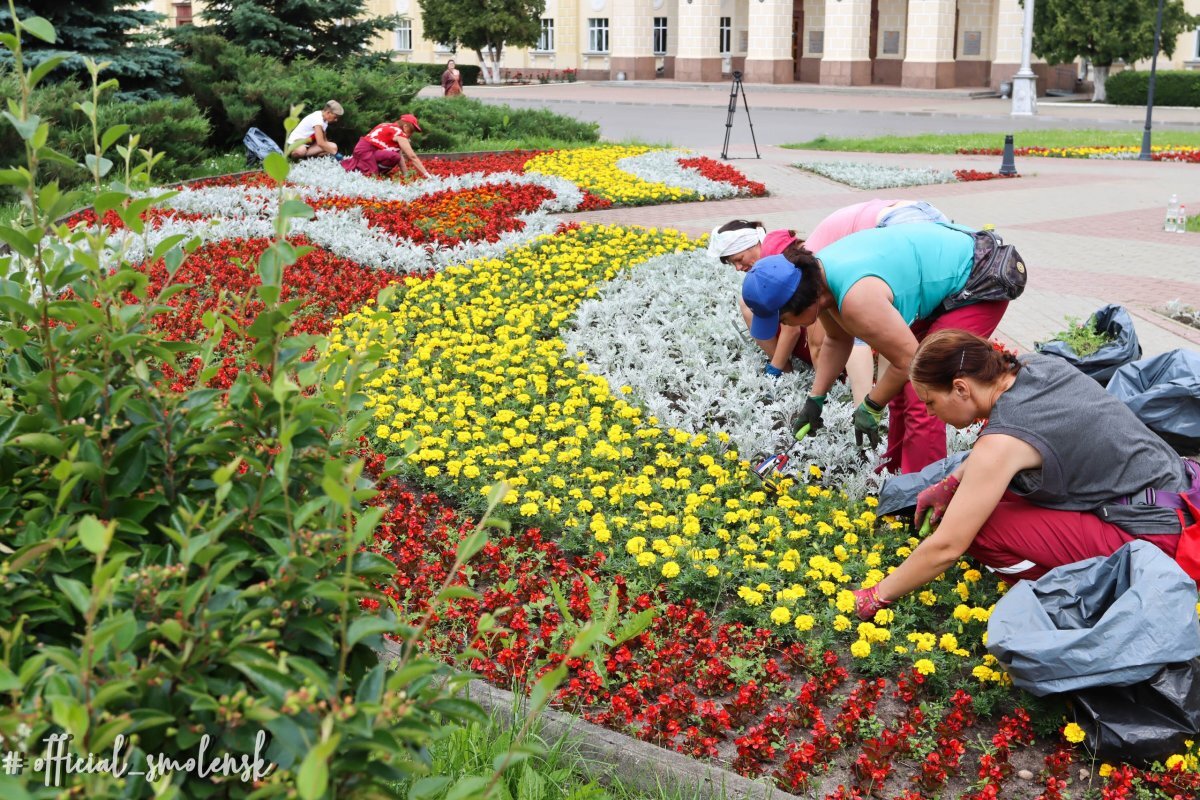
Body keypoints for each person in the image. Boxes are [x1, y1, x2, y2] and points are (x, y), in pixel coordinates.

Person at [851, 329, 1195, 620]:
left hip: (1157, 538)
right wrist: (950, 483)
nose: (929, 412)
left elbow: (946, 547)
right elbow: (1008, 449)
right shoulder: (1036, 366)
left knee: (979, 530)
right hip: (1179, 496)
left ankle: (1081, 599)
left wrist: (876, 596)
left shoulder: (1003, 441)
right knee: (994, 494)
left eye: (930, 401)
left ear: (960, 388)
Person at [742, 222, 1010, 474]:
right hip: (950, 279)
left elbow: (908, 362)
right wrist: (816, 398)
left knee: (927, 388)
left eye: (783, 318)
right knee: (902, 387)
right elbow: (837, 339)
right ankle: (894, 471)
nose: (787, 325)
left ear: (798, 301)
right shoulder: (818, 282)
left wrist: (871, 404)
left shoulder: (856, 299)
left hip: (979, 275)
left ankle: (917, 493)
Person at [708, 199, 949, 403]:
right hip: (904, 215)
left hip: (906, 224)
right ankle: (883, 402)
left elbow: (820, 342)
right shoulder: (786, 260)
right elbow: (831, 338)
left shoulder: (787, 268)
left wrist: (825, 394)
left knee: (863, 325)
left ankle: (867, 405)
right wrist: (817, 394)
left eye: (738, 259)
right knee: (883, 326)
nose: (739, 268)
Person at [340, 113, 432, 179]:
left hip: (361, 149)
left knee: (395, 156)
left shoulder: (385, 124)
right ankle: (371, 172)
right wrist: (426, 174)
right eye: (412, 131)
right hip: (367, 152)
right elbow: (412, 156)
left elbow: (399, 155)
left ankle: (365, 170)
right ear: (405, 127)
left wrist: (406, 175)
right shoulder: (399, 133)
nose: (411, 134)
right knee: (372, 176)